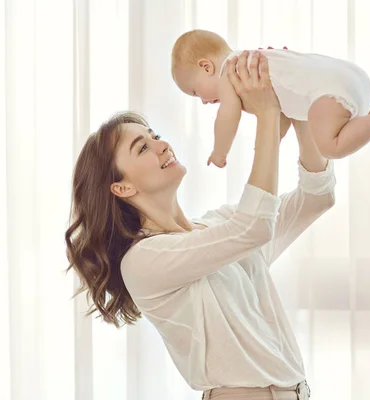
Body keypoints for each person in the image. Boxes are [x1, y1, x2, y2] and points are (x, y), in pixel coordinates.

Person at [66, 51, 330, 399]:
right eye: (142, 147)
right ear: (122, 188)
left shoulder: (219, 226)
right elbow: (253, 226)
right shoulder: (144, 261)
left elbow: (316, 197)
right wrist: (267, 113)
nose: (162, 145)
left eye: (154, 135)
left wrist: (295, 104)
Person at [170, 29, 370, 168]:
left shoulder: (230, 73)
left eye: (196, 93)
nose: (204, 102)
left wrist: (220, 152)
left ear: (207, 67)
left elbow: (226, 118)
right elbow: (278, 112)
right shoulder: (256, 58)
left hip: (328, 93)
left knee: (330, 146)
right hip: (350, 75)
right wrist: (270, 143)